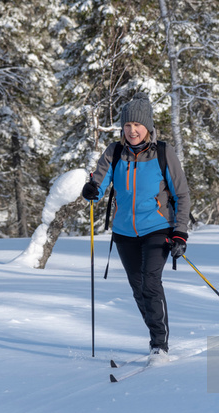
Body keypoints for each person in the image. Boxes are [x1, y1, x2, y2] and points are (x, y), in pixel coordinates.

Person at [82, 92, 191, 365]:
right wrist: (91, 188)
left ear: (148, 128)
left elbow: (181, 195)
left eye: (137, 126)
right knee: (138, 286)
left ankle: (159, 344)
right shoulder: (115, 152)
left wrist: (180, 232)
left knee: (150, 282)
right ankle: (157, 332)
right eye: (127, 126)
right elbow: (98, 182)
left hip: (158, 228)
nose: (132, 131)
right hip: (124, 233)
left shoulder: (163, 153)